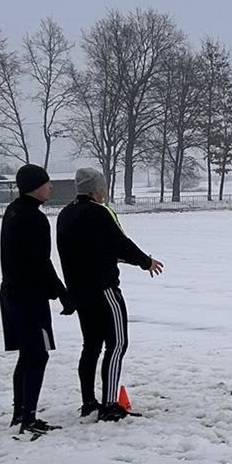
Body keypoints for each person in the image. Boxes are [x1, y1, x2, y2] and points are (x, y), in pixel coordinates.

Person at [56, 167, 163, 419]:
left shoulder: (65, 214)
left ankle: (89, 401)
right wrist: (145, 261)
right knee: (117, 344)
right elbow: (120, 243)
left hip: (79, 291)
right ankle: (109, 404)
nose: (104, 192)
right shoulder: (99, 213)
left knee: (91, 345)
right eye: (102, 187)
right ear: (95, 190)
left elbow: (90, 249)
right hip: (104, 290)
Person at [0, 164, 70, 435]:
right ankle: (28, 417)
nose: (50, 187)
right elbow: (40, 262)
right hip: (29, 297)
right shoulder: (34, 217)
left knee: (27, 355)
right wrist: (62, 293)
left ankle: (20, 412)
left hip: (11, 293)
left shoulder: (13, 210)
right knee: (37, 355)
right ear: (35, 186)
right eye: (47, 183)